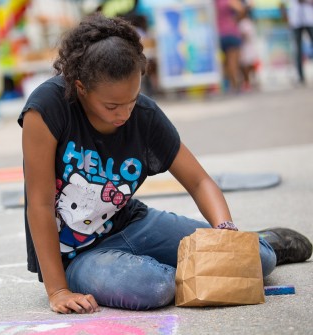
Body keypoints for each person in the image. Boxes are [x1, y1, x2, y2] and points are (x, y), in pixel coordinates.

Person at [18, 14, 312, 313]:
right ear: (81, 88)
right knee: (152, 288)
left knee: (258, 260)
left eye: (132, 100)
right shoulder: (47, 109)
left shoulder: (144, 115)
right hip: (78, 256)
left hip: (132, 225)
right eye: (112, 106)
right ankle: (164, 268)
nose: (125, 114)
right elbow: (40, 204)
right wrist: (57, 290)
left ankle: (264, 241)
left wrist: (224, 233)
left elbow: (199, 181)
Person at [215, 0, 245, 92]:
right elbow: (241, 9)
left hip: (218, 34)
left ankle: (231, 84)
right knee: (233, 61)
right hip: (231, 32)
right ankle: (236, 85)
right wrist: (236, 19)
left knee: (226, 62)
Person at [282, 0, 313, 84]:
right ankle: (300, 76)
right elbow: (282, 4)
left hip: (310, 18)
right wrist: (286, 18)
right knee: (297, 50)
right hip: (295, 20)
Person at [238, 6, 260, 91]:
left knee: (246, 65)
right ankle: (251, 81)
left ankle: (247, 82)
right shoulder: (249, 22)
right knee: (250, 65)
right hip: (249, 46)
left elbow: (246, 35)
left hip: (246, 47)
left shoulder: (244, 23)